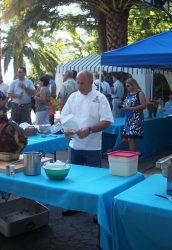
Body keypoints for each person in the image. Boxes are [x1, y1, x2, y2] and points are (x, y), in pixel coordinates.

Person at [60, 70, 113, 216]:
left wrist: (89, 129)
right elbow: (64, 117)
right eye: (77, 82)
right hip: (75, 145)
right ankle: (74, 205)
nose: (79, 85)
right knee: (74, 178)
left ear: (91, 82)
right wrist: (66, 130)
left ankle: (97, 211)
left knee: (94, 179)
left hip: (93, 147)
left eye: (82, 83)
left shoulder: (99, 97)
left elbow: (107, 121)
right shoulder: (73, 97)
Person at [121, 78, 147, 151]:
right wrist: (123, 107)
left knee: (130, 139)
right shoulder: (128, 94)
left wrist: (130, 108)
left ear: (133, 85)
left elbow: (144, 106)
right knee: (124, 140)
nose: (127, 87)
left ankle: (133, 159)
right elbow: (126, 104)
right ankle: (136, 154)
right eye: (126, 86)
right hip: (128, 120)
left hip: (136, 119)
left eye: (128, 86)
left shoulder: (140, 93)